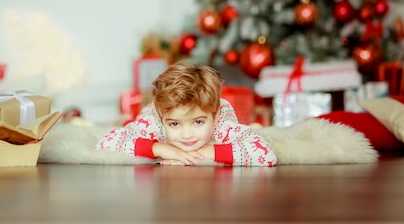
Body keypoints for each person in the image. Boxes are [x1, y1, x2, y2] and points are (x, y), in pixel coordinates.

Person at [97, 61, 277, 166]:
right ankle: (123, 120)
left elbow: (266, 154)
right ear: (162, 117)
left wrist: (207, 153)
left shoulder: (221, 120)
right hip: (147, 116)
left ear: (213, 116)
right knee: (128, 127)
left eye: (198, 122)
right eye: (174, 124)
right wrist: (160, 148)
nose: (187, 134)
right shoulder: (154, 119)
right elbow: (105, 143)